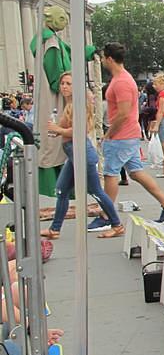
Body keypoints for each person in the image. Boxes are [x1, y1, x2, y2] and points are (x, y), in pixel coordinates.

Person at [100, 42, 164, 223]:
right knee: (135, 172)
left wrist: (109, 133)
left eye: (104, 58)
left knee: (110, 173)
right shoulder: (122, 79)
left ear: (110, 59)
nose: (103, 61)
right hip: (127, 134)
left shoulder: (121, 81)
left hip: (122, 135)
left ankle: (106, 216)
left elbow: (123, 113)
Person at [40, 73, 124, 240]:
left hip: (81, 153)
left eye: (68, 84)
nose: (64, 86)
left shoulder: (78, 105)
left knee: (96, 191)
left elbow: (80, 130)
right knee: (62, 190)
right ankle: (55, 229)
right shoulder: (71, 104)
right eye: (63, 83)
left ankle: (116, 224)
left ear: (76, 87)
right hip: (74, 153)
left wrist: (58, 130)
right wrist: (59, 131)